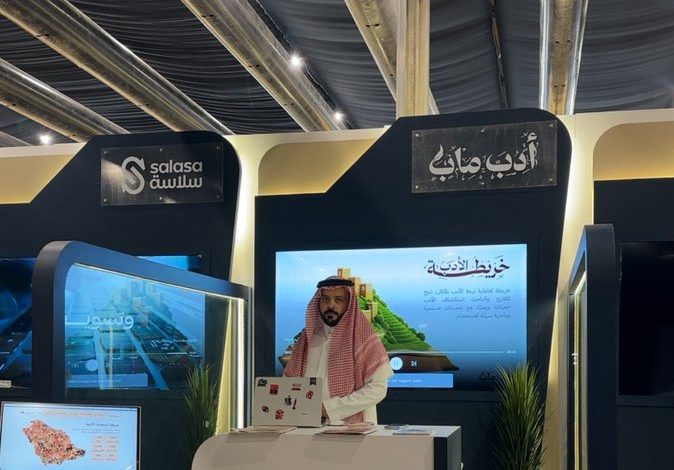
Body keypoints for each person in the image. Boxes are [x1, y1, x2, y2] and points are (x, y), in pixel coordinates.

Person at [284, 276, 393, 424]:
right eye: (325, 299)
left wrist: (329, 409)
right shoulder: (306, 340)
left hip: (351, 430)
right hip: (305, 427)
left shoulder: (364, 339)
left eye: (338, 300)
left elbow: (378, 388)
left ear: (349, 303)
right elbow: (288, 382)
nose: (331, 305)